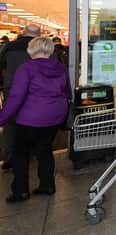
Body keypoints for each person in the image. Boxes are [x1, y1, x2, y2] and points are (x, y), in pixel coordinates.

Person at [0, 37, 71, 202]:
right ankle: (47, 185)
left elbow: (16, 97)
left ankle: (20, 191)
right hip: (55, 116)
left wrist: (2, 118)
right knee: (44, 149)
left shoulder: (26, 69)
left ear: (31, 49)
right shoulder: (61, 68)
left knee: (20, 152)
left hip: (32, 117)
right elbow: (67, 92)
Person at [0, 24, 41, 170]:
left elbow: (1, 65)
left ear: (23, 33)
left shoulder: (10, 47)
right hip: (34, 90)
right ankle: (30, 153)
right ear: (39, 34)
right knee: (32, 122)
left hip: (12, 88)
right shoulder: (41, 48)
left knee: (11, 123)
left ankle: (8, 156)